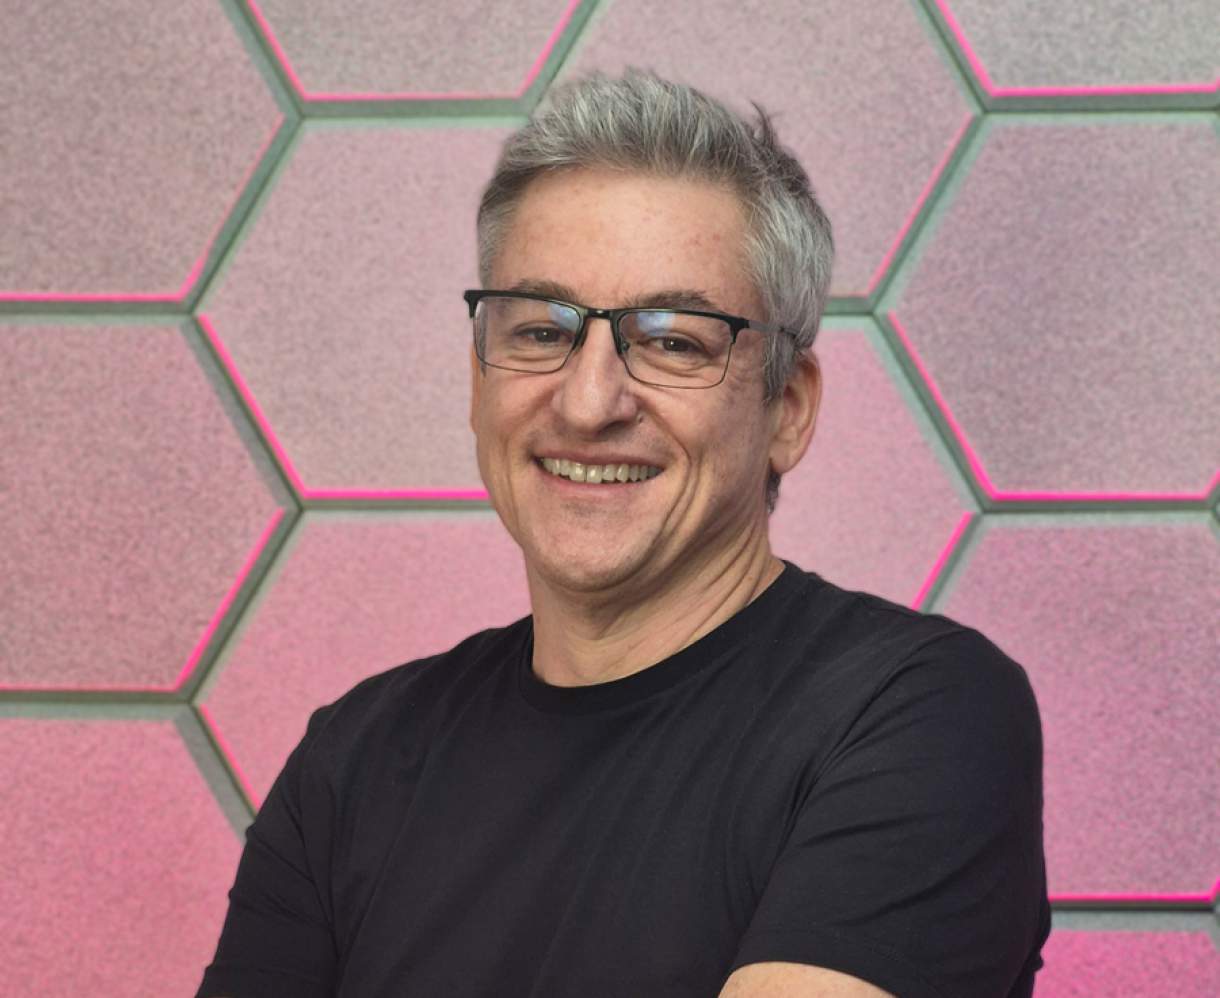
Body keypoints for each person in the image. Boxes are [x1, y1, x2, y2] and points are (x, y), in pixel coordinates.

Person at [198, 70, 1049, 998]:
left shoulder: (916, 715)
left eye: (674, 340)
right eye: (539, 331)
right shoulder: (354, 759)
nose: (588, 401)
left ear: (788, 409)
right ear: (478, 380)